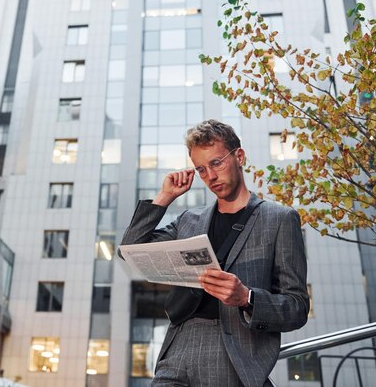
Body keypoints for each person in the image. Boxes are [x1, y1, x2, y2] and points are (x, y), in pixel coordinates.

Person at [120, 119, 310, 387]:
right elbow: (130, 249)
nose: (210, 176)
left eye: (217, 163)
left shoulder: (279, 219)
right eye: (201, 169)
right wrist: (164, 197)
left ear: (239, 156)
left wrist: (247, 297)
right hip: (177, 346)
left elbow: (297, 308)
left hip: (232, 353)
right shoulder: (189, 220)